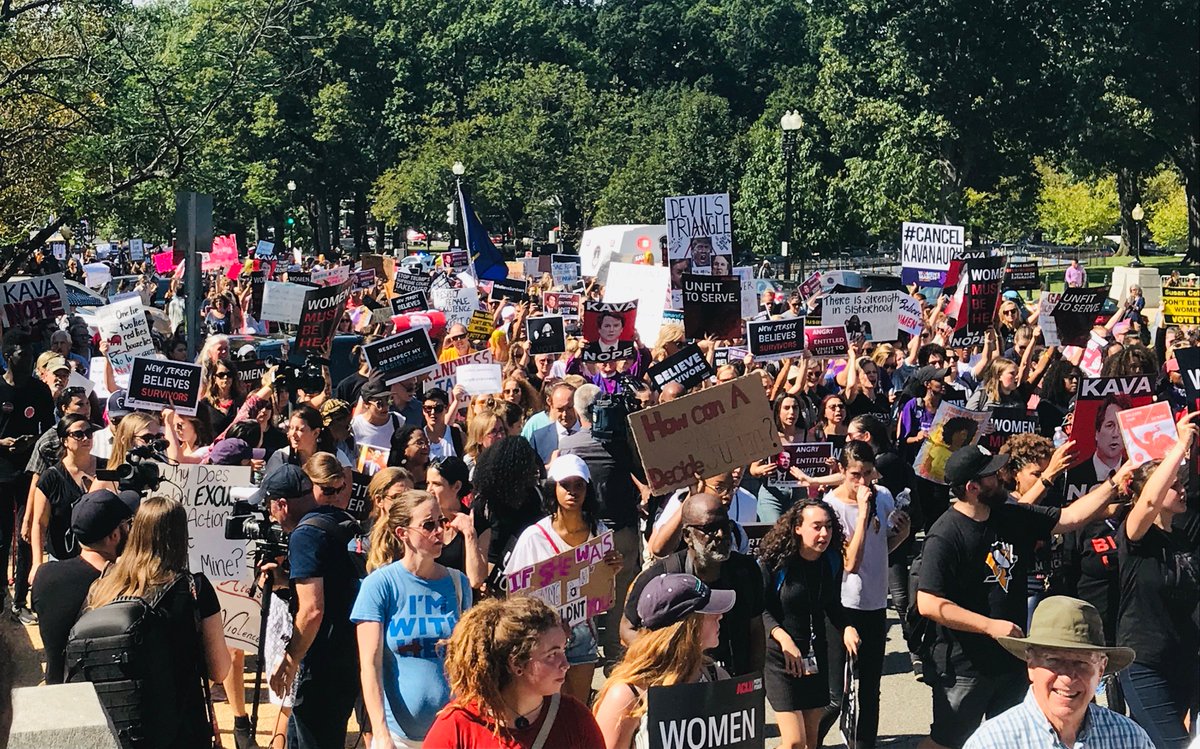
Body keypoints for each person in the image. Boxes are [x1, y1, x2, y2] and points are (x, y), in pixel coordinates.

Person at [915, 444, 1137, 749]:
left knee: (1012, 739)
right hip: (965, 666)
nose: (1001, 477)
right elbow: (928, 603)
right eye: (991, 474)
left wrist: (1116, 481)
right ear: (973, 487)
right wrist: (989, 626)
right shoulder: (946, 534)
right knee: (948, 740)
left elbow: (1071, 518)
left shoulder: (1008, 514)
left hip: (1012, 658)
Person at [83, 496, 231, 748]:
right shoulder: (195, 588)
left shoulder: (103, 584)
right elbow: (219, 670)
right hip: (181, 728)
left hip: (117, 725)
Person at [353, 489, 472, 747]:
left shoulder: (458, 583)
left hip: (451, 733)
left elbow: (468, 660)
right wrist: (381, 733)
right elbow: (370, 665)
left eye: (440, 522)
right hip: (398, 738)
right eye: (428, 525)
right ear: (402, 533)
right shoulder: (379, 585)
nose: (439, 531)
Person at [258, 464, 361, 748]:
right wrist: (284, 578)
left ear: (282, 504)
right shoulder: (337, 519)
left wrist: (289, 660)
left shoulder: (305, 535)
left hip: (324, 664)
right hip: (350, 653)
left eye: (269, 507)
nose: (270, 515)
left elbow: (312, 610)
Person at [506, 455, 623, 702]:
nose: (572, 492)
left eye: (579, 485)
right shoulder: (533, 537)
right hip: (543, 635)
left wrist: (612, 568)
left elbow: (602, 585)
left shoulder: (598, 532)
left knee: (576, 705)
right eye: (565, 485)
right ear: (554, 489)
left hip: (583, 630)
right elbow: (514, 593)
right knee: (546, 703)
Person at [962, 596, 1151, 748]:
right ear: (1031, 665)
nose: (1068, 676)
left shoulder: (1129, 739)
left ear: (1101, 669)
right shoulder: (993, 743)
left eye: (1081, 662)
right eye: (1053, 660)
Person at [819, 442, 910, 749]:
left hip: (874, 602)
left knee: (870, 686)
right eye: (855, 475)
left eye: (868, 474)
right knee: (838, 692)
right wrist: (860, 514)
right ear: (842, 472)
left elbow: (881, 548)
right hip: (844, 605)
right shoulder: (832, 507)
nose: (862, 482)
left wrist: (902, 533)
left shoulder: (881, 496)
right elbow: (850, 563)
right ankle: (808, 739)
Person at [1115, 418, 1198, 749]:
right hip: (1144, 664)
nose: (1182, 489)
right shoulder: (1136, 535)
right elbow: (1148, 503)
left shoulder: (1183, 536)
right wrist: (1179, 446)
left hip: (1184, 661)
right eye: (1174, 485)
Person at [423, 596, 605, 748]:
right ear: (517, 663)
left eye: (563, 651)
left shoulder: (574, 717)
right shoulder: (460, 724)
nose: (565, 664)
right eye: (552, 655)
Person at [621, 492, 765, 676]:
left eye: (725, 526)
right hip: (678, 681)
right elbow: (626, 630)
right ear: (687, 536)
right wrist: (668, 658)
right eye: (710, 528)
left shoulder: (746, 571)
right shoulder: (661, 577)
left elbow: (756, 629)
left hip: (734, 683)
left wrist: (756, 681)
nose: (721, 535)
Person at [759, 499, 859, 749]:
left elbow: (833, 604)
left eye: (828, 527)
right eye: (816, 527)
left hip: (814, 656)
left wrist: (846, 627)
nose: (824, 534)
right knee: (794, 742)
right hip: (780, 656)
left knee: (811, 742)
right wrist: (782, 638)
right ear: (797, 528)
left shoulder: (832, 560)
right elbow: (758, 609)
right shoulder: (775, 563)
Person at [593, 573, 734, 749]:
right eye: (709, 611)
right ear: (687, 627)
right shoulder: (627, 696)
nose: (719, 616)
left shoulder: (715, 676)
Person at [31, 489, 135, 684]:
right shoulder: (124, 586)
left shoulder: (44, 575)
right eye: (126, 525)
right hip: (104, 696)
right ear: (114, 536)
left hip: (58, 688)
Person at [0, 328, 54, 623]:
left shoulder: (39, 390)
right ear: (9, 355)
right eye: (24, 352)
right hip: (1, 473)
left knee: (24, 536)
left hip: (29, 473)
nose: (30, 357)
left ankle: (20, 602)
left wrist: (32, 443)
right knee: (0, 537)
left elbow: (48, 430)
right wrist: (3, 443)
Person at [29, 415, 99, 580]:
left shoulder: (107, 468)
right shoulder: (50, 477)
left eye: (89, 433)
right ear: (64, 441)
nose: (85, 438)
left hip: (100, 558)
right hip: (63, 558)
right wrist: (37, 563)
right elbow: (39, 523)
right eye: (78, 434)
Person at [426, 456, 487, 587]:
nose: (429, 490)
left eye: (436, 484)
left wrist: (469, 533)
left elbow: (476, 580)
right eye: (428, 483)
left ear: (457, 486)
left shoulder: (478, 524)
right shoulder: (423, 520)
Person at [526, 382, 578, 463]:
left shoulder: (592, 435)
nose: (565, 414)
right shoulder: (538, 438)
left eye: (569, 408)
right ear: (551, 405)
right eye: (560, 409)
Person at [352, 377, 403, 450]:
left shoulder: (398, 420)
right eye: (379, 403)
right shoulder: (355, 425)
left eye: (388, 401)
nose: (385, 407)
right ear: (366, 404)